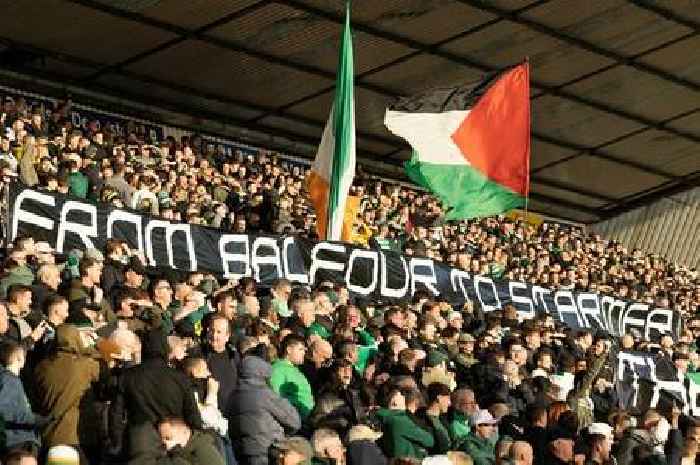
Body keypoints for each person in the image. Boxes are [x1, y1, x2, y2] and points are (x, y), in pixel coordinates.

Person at [120, 328, 202, 464]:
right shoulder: (179, 378)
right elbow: (193, 416)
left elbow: (116, 415)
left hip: (140, 446)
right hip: (174, 445)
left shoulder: (128, 377)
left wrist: (118, 445)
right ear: (166, 349)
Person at [33, 324, 100, 457]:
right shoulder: (84, 365)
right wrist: (90, 347)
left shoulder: (42, 366)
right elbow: (103, 367)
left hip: (47, 434)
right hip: (73, 433)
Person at [227, 355, 301, 465]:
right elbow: (294, 421)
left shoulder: (232, 397)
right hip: (269, 453)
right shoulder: (264, 395)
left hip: (242, 455)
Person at [0, 341, 47, 454]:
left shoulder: (9, 379)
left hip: (17, 440)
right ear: (18, 359)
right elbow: (4, 411)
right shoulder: (9, 380)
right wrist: (35, 419)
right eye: (23, 356)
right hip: (18, 441)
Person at [376, 389, 434, 460]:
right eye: (400, 395)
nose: (404, 397)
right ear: (394, 403)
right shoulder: (400, 421)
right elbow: (429, 440)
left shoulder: (385, 418)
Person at [270, 335, 315, 421]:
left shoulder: (295, 370)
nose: (303, 353)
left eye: (304, 350)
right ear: (289, 350)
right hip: (292, 422)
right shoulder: (278, 370)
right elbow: (275, 397)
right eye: (300, 349)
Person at [157, 416, 225, 465]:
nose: (164, 442)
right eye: (162, 439)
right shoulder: (183, 451)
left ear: (184, 432)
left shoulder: (202, 449)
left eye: (168, 438)